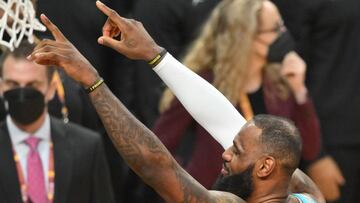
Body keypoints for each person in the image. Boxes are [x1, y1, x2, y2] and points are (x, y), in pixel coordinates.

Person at [28, 2, 325, 202]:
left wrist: (93, 81)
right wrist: (155, 55)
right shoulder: (307, 195)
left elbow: (156, 166)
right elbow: (227, 123)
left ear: (264, 168)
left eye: (236, 150)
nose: (225, 152)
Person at [153, 0, 322, 188]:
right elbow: (160, 142)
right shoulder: (206, 82)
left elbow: (310, 149)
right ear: (247, 36)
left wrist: (300, 92)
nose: (284, 35)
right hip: (214, 194)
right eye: (275, 29)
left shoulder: (279, 83)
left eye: (282, 26)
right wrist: (188, 184)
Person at [0, 40, 115, 203]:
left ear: (51, 89)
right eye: (13, 84)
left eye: (32, 85)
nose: (22, 93)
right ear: (1, 87)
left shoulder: (87, 147)